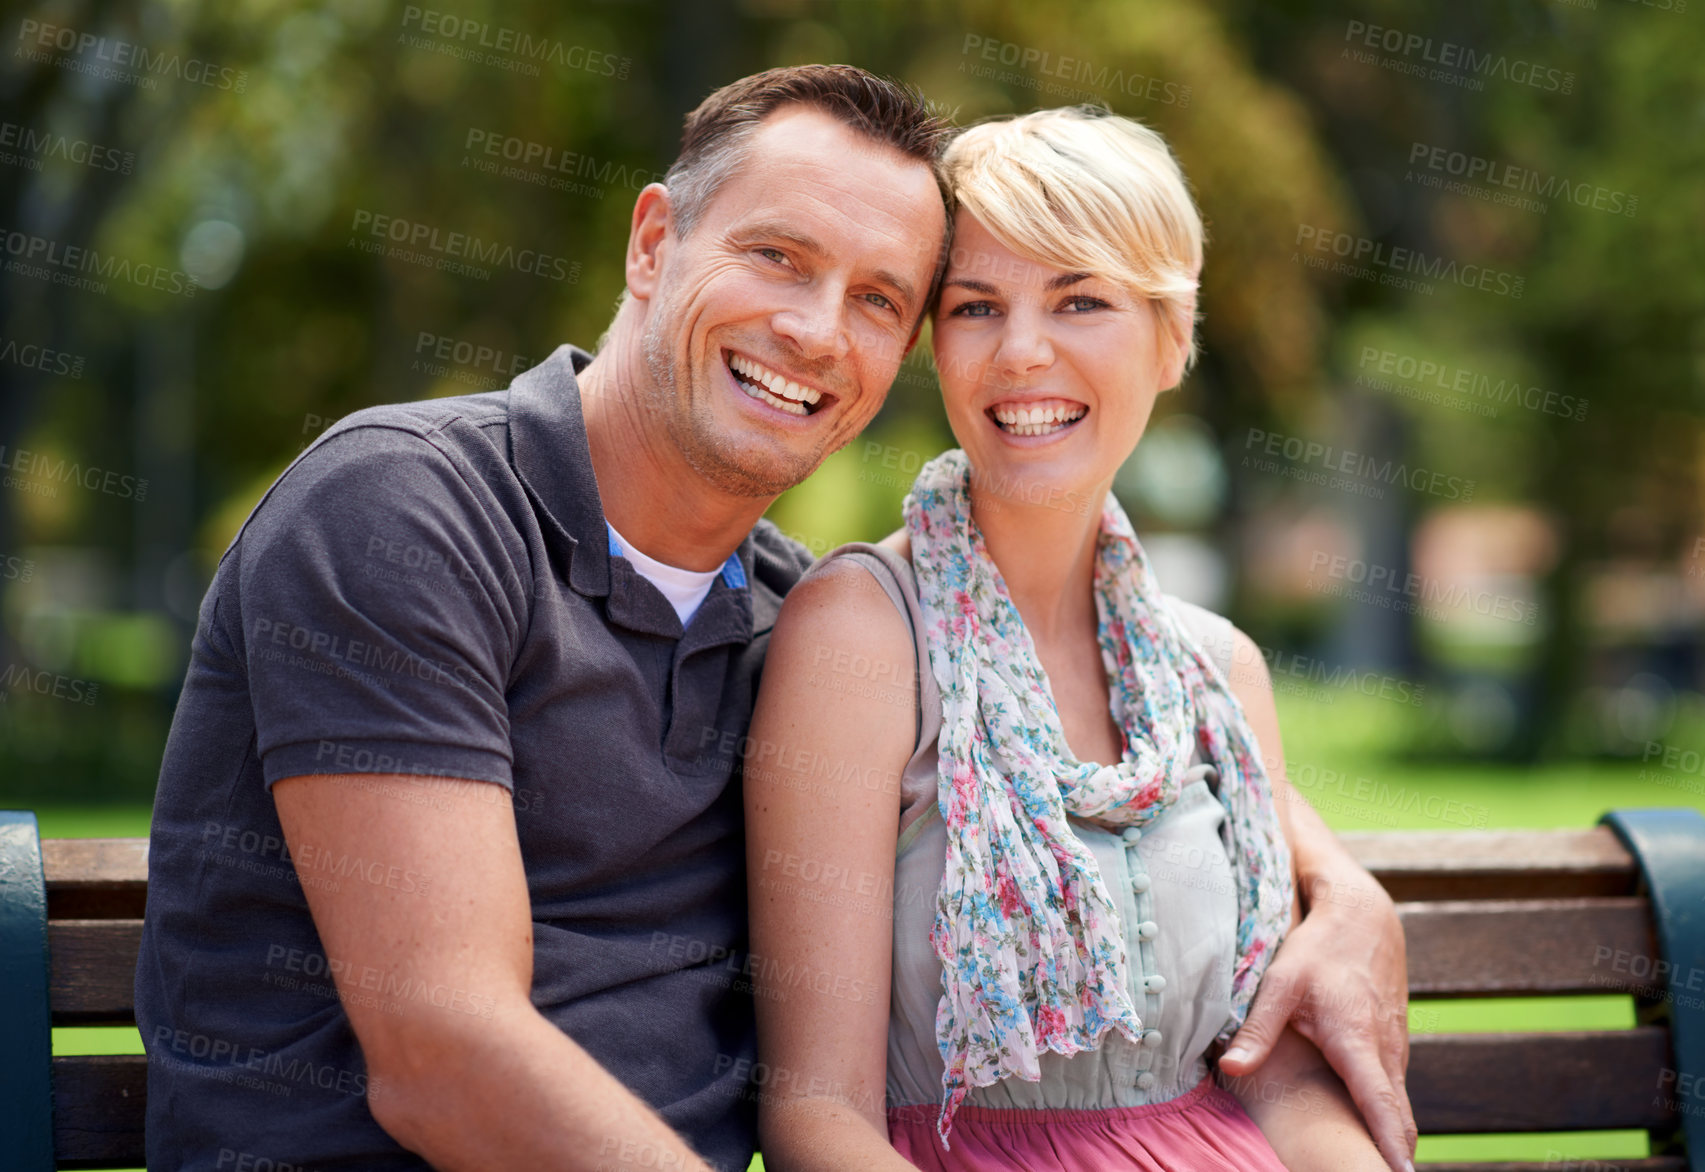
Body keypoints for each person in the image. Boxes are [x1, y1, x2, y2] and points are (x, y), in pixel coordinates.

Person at [134, 63, 1409, 1172]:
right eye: (777, 257)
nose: (812, 331)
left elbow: (1126, 761)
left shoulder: (786, 611)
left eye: (875, 298)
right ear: (652, 244)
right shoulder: (407, 513)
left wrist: (1344, 885)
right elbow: (442, 1051)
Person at [745, 107, 1407, 1171]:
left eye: (1080, 298)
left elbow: (1271, 1071)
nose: (1020, 352)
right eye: (974, 306)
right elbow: (815, 1116)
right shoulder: (860, 634)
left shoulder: (1215, 669)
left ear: (1169, 335)